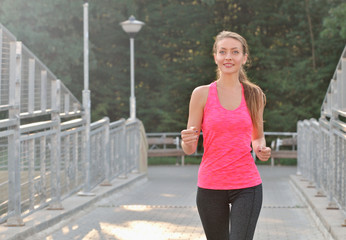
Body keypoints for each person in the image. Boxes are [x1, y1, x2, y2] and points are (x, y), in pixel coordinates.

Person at [180, 31, 271, 240]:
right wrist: (187, 142)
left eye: (235, 52)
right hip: (211, 184)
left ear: (244, 57)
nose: (228, 57)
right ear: (215, 56)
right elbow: (189, 148)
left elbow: (258, 136)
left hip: (247, 185)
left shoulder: (254, 94)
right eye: (223, 52)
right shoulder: (201, 94)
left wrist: (260, 148)